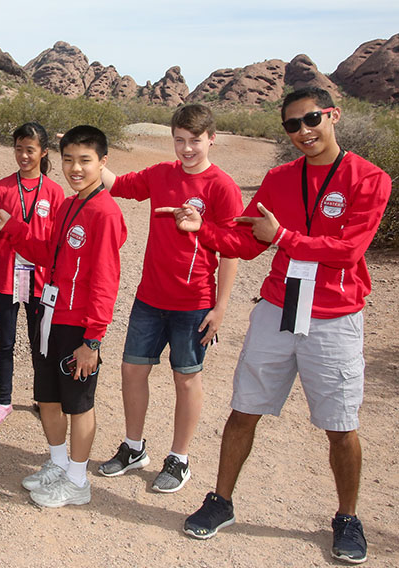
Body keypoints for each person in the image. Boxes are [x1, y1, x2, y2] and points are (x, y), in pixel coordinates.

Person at [158, 87, 391, 564]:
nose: (303, 132)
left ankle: (347, 517)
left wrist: (283, 235)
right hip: (278, 308)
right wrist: (198, 228)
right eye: (292, 125)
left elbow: (348, 251)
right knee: (244, 408)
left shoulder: (368, 178)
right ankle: (221, 501)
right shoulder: (281, 178)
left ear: (333, 115)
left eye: (311, 120)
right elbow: (245, 242)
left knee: (340, 425)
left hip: (336, 315)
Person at [97, 104, 243, 493]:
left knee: (186, 380)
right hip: (149, 297)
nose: (187, 149)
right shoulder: (161, 175)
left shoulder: (221, 187)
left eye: (195, 141)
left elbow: (231, 248)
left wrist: (221, 306)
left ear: (211, 138)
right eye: (179, 140)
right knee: (132, 370)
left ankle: (179, 459)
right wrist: (91, 151)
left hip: (194, 302)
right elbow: (119, 184)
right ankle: (133, 447)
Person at [0, 125, 127, 507]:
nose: (75, 168)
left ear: (103, 162)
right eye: (68, 160)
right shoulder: (68, 204)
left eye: (85, 160)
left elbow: (105, 281)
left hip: (78, 324)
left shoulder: (105, 212)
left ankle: (78, 481)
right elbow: (48, 253)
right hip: (50, 314)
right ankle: (59, 463)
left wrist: (92, 339)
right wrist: (11, 225)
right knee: (47, 395)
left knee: (78, 403)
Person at [0, 122, 64, 428]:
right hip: (5, 278)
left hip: (39, 279)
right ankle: (3, 402)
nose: (23, 156)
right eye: (18, 149)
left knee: (40, 342)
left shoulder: (54, 192)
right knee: (5, 343)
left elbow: (57, 240)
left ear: (43, 152)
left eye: (30, 149)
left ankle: (43, 398)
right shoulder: (1, 188)